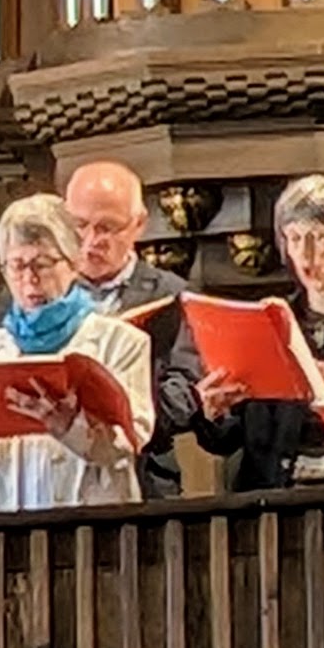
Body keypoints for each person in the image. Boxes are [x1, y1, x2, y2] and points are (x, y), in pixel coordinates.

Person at [183, 175, 324, 492]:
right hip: (272, 502)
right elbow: (226, 440)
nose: (306, 254)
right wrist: (211, 412)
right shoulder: (267, 324)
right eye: (295, 238)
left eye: (320, 236)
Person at [0, 195, 154, 513]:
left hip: (91, 529)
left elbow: (132, 441)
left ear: (73, 264)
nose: (29, 279)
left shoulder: (121, 343)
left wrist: (72, 429)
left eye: (41, 264)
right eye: (17, 265)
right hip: (7, 533)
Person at [61, 158, 200, 500]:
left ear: (138, 225)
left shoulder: (172, 296)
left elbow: (187, 392)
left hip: (143, 479)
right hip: (52, 481)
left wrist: (123, 405)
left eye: (107, 227)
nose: (91, 241)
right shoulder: (34, 294)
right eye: (79, 225)